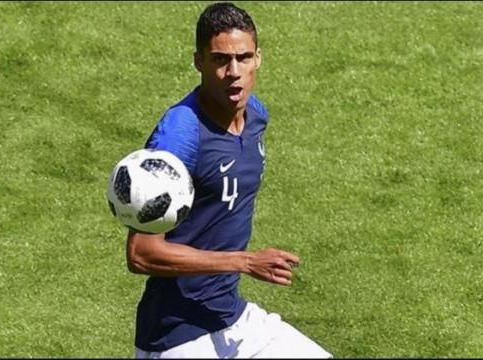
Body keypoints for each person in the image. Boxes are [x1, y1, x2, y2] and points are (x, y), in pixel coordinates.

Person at [127, 2, 332, 358]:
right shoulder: (179, 136)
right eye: (221, 59)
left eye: (244, 57)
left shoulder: (256, 116)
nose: (234, 71)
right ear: (198, 62)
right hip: (178, 335)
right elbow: (141, 253)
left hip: (232, 318)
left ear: (259, 59)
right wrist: (244, 262)